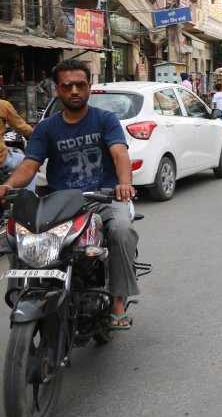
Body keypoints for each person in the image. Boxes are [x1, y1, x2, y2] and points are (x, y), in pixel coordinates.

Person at [0, 59, 139, 329]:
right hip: (61, 204)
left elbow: (119, 153)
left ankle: (118, 302)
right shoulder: (47, 128)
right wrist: (7, 186)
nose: (74, 91)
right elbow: (30, 165)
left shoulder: (105, 120)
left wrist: (123, 184)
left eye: (80, 85)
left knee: (121, 229)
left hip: (104, 198)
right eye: (67, 86)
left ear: (89, 87)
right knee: (19, 233)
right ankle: (25, 291)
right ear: (57, 90)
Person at [0, 90, 36, 192]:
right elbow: (22, 128)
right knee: (28, 166)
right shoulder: (3, 105)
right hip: (1, 159)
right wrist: (35, 132)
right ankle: (28, 201)